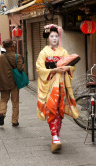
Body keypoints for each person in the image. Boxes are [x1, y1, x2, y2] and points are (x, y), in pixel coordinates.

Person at [36, 24, 79, 153]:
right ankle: (55, 136)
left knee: (59, 110)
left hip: (61, 86)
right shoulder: (43, 52)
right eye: (52, 36)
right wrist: (54, 69)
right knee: (51, 108)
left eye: (56, 36)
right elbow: (39, 68)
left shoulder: (63, 52)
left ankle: (56, 135)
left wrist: (68, 68)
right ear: (48, 38)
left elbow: (72, 66)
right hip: (49, 84)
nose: (54, 38)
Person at [0, 39, 24, 127]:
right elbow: (20, 69)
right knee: (15, 102)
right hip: (14, 83)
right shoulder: (17, 56)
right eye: (13, 46)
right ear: (11, 47)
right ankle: (14, 121)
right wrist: (23, 64)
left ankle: (1, 113)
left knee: (3, 99)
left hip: (3, 82)